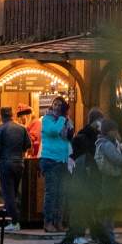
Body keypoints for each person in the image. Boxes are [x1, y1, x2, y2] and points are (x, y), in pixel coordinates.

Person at [54, 107, 103, 244]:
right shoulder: (87, 136)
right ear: (95, 121)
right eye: (99, 120)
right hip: (86, 177)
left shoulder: (91, 135)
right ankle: (78, 238)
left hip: (86, 177)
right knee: (84, 209)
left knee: (84, 209)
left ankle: (76, 238)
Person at [94, 118, 122, 244]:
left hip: (109, 178)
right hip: (110, 179)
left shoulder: (110, 143)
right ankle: (106, 239)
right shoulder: (107, 145)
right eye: (114, 130)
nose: (117, 132)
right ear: (109, 131)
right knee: (108, 210)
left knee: (110, 210)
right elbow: (118, 160)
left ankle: (110, 238)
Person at [0, 106, 31, 231]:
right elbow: (28, 145)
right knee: (14, 193)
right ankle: (12, 220)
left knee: (8, 194)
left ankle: (14, 222)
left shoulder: (0, 129)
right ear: (12, 114)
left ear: (0, 115)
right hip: (19, 163)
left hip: (5, 163)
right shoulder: (21, 128)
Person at [40, 96, 73, 232]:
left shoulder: (66, 120)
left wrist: (66, 120)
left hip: (63, 160)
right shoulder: (47, 119)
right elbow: (54, 131)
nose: (57, 106)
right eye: (55, 104)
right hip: (50, 160)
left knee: (61, 194)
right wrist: (62, 118)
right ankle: (48, 223)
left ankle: (58, 222)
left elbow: (69, 136)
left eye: (60, 104)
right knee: (51, 193)